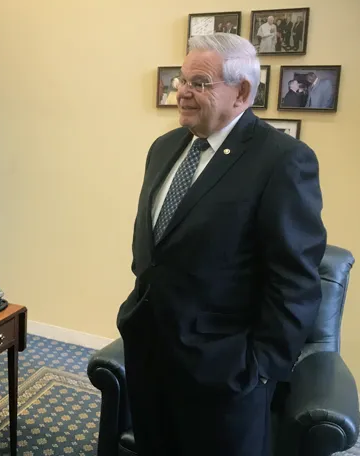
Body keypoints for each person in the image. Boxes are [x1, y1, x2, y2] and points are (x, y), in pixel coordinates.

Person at [116, 33, 326, 456]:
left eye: (200, 83)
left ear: (242, 92)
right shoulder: (164, 148)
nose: (183, 92)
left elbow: (295, 281)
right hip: (151, 353)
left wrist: (258, 369)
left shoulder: (282, 160)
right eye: (181, 80)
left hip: (224, 371)